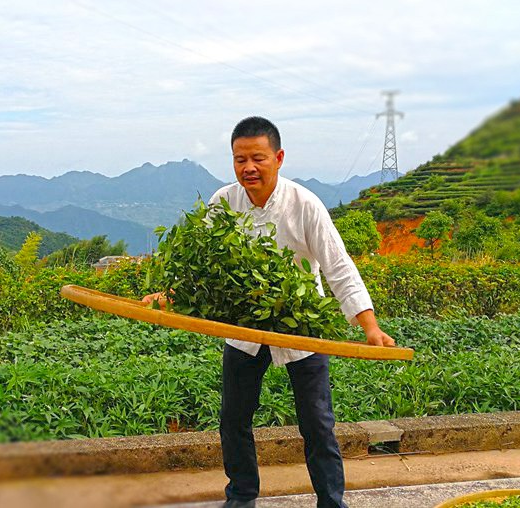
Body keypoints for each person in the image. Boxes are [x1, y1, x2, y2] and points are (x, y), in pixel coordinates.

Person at [145, 116, 395, 508]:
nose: (248, 168)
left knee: (317, 423)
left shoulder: (304, 204)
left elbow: (339, 267)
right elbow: (205, 266)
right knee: (234, 420)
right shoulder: (223, 202)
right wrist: (170, 295)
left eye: (258, 158)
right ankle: (241, 497)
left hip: (301, 325)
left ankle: (332, 502)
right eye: (239, 159)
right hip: (244, 325)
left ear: (278, 158)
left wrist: (370, 327)